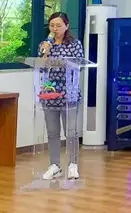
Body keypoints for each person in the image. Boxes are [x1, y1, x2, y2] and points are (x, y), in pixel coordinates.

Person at [38, 12, 84, 180]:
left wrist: (61, 63)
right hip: (50, 93)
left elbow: (78, 64)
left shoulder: (74, 44)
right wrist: (46, 52)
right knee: (52, 132)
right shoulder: (44, 44)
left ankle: (72, 164)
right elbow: (41, 67)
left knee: (71, 132)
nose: (55, 29)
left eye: (58, 25)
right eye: (52, 26)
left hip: (68, 94)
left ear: (66, 26)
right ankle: (55, 165)